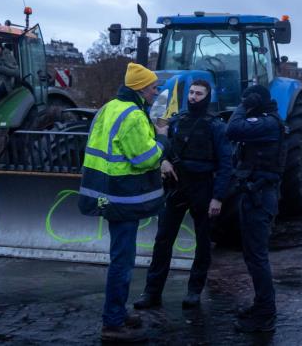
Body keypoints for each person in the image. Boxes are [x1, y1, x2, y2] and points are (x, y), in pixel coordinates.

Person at [79, 62, 168, 343]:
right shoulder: (133, 116)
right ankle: (113, 321)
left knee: (121, 258)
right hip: (122, 196)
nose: (157, 91)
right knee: (122, 260)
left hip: (104, 191)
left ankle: (117, 312)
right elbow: (144, 158)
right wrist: (163, 140)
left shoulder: (109, 107)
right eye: (154, 87)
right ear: (141, 88)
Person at [133, 79, 233, 311]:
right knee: (163, 240)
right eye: (191, 92)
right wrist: (164, 161)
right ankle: (152, 292)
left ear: (207, 97)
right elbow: (163, 147)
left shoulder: (216, 126)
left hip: (203, 187)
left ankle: (194, 291)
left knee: (203, 244)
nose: (193, 97)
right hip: (177, 185)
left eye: (198, 93)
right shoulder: (176, 121)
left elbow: (226, 164)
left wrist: (218, 197)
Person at [225, 84, 285, 333]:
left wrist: (243, 105)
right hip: (254, 194)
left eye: (248, 99)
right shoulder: (264, 121)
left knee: (258, 257)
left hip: (261, 196)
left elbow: (232, 128)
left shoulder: (268, 123)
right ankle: (261, 305)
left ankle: (265, 313)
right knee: (252, 255)